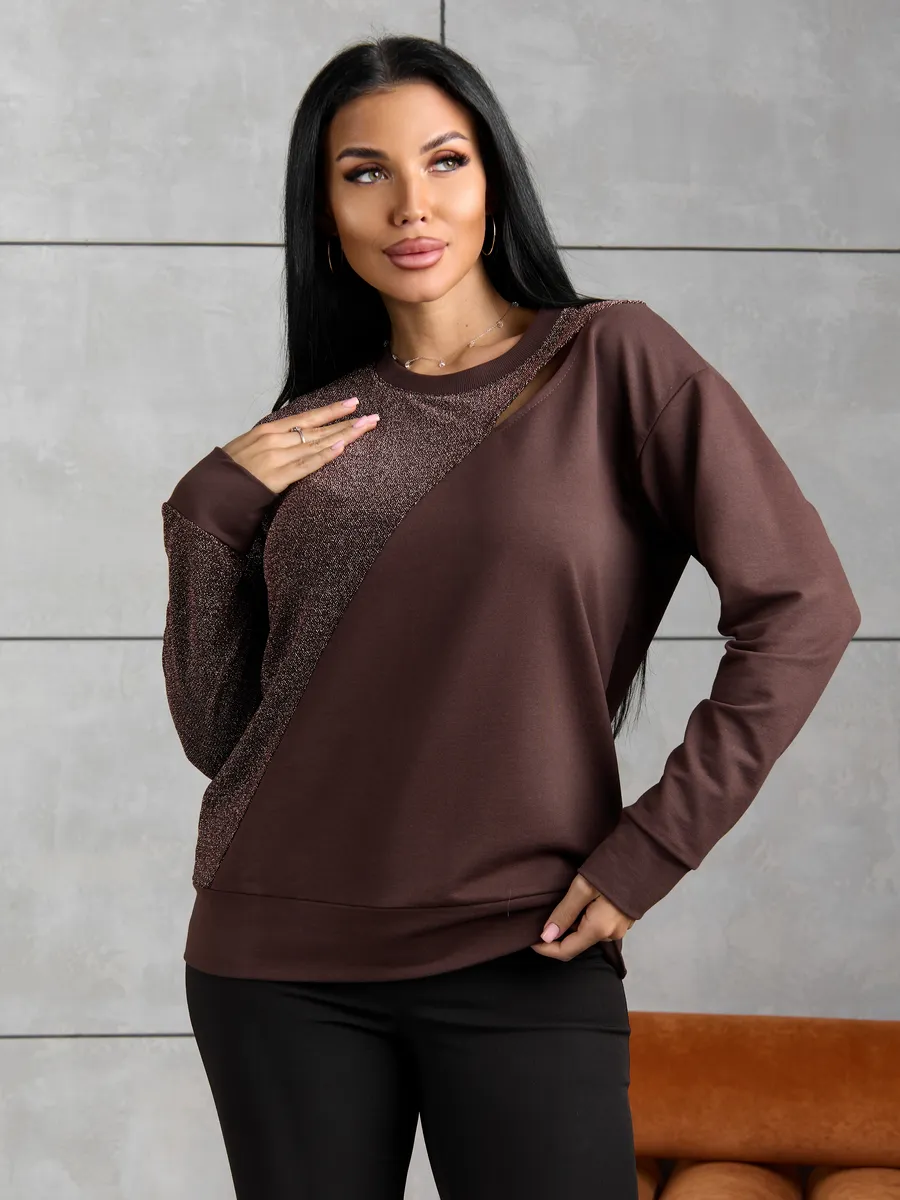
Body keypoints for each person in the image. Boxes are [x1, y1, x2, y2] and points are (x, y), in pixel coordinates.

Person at [160, 34, 861, 1200]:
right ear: (324, 209)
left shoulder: (613, 359)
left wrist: (654, 846)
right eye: (365, 172)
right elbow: (222, 738)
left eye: (445, 160)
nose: (411, 203)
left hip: (522, 946)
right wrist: (206, 511)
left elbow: (804, 606)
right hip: (274, 960)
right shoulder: (314, 429)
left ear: (495, 181)